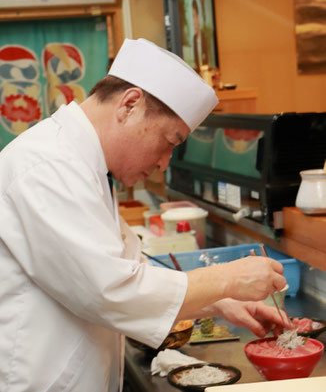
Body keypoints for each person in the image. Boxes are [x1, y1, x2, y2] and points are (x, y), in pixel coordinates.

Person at [0, 38, 289, 392]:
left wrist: (221, 303)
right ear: (130, 105)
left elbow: (127, 268)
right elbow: (108, 290)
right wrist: (226, 278)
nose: (163, 164)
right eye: (169, 142)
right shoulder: (47, 166)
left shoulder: (85, 165)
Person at [192, 0, 209, 72]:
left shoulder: (204, 37)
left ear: (198, 17)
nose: (194, 21)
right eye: (192, 17)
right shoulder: (194, 38)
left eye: (195, 16)